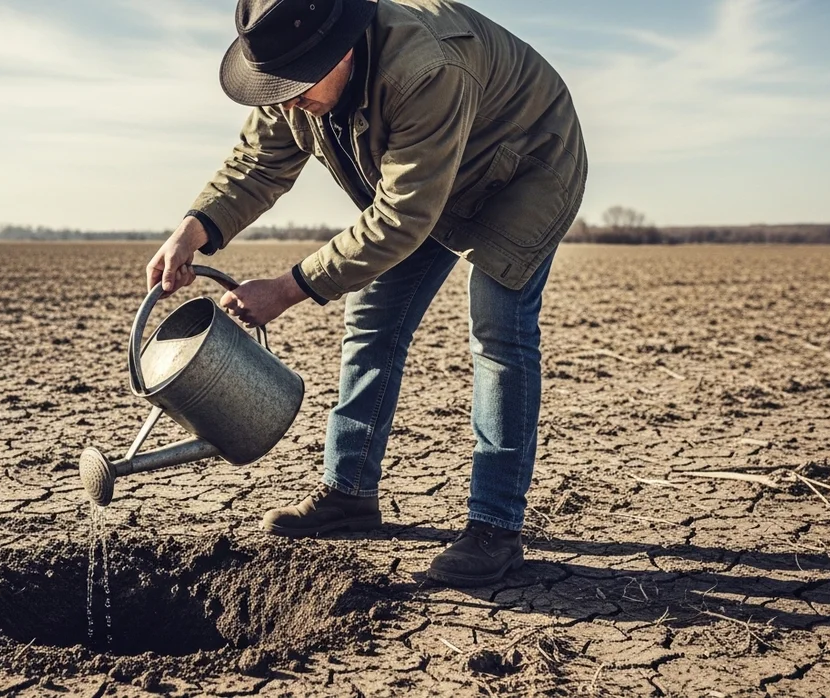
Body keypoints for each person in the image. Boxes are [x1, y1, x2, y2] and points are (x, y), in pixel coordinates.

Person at [146, 0, 586, 588]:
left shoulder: (424, 67)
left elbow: (403, 218)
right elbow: (257, 161)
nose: (285, 99)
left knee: (498, 336)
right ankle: (349, 494)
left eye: (295, 86)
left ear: (344, 51)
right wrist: (194, 229)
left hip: (523, 166)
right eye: (274, 87)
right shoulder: (290, 75)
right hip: (424, 181)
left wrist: (287, 288)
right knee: (372, 323)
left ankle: (495, 529)